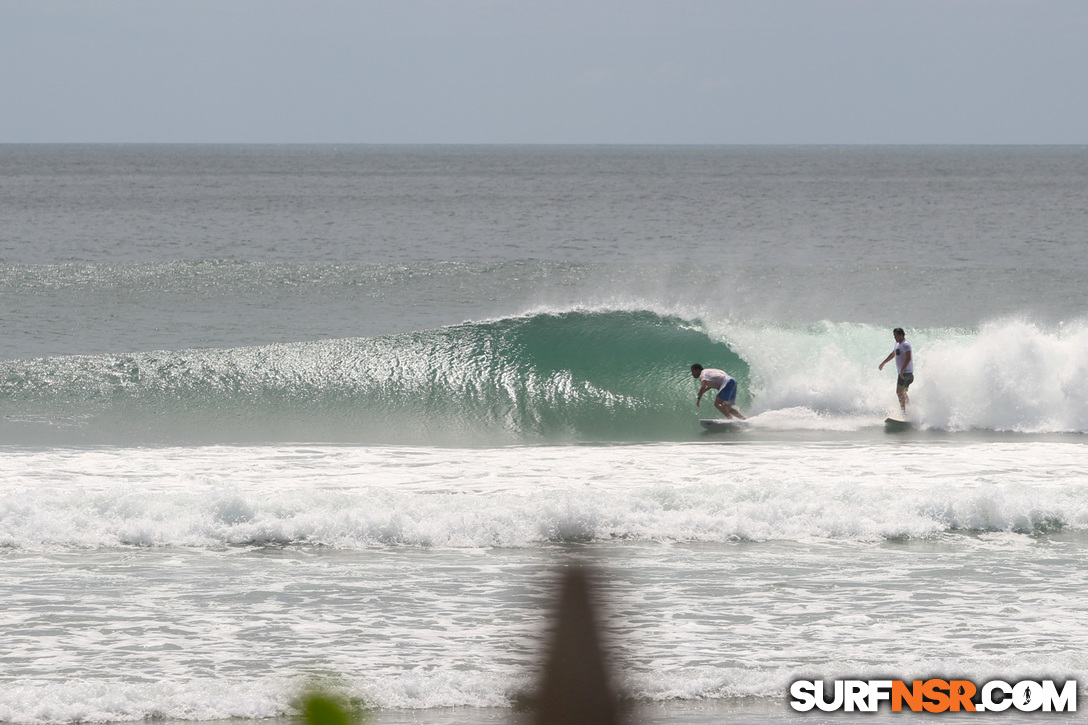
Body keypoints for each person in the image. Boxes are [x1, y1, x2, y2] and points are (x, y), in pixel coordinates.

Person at [878, 327, 914, 413]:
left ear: (901, 335)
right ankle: (910, 409)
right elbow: (893, 354)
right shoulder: (898, 344)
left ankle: (903, 412)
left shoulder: (905, 344)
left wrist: (902, 370)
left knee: (899, 392)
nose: (894, 337)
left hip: (906, 373)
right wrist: (884, 363)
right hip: (903, 372)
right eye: (894, 335)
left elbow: (908, 358)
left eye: (896, 335)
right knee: (903, 392)